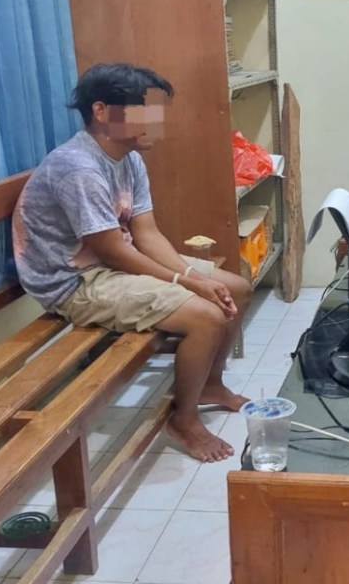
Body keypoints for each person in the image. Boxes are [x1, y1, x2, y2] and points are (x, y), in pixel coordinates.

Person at [13, 63, 251, 464]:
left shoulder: (129, 158)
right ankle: (183, 420)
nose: (155, 122)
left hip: (113, 264)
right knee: (205, 317)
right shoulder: (77, 168)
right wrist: (189, 283)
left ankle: (210, 384)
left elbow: (147, 234)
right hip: (75, 281)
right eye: (143, 110)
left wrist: (191, 275)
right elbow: (112, 252)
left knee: (237, 287)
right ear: (101, 111)